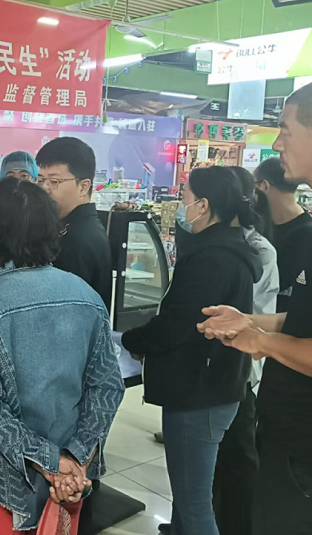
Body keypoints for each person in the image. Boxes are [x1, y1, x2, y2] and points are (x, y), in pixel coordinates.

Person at [0, 177, 124, 535]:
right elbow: (107, 386)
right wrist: (74, 457)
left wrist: (49, 460)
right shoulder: (86, 296)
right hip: (69, 473)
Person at [199, 79, 312, 535]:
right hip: (289, 442)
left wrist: (262, 342)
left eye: (286, 130)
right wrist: (250, 321)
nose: (276, 143)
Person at [122, 166, 262, 535]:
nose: (180, 206)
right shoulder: (226, 248)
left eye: (184, 198)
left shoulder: (212, 258)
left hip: (198, 391)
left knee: (195, 502)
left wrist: (131, 341)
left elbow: (179, 324)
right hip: (215, 384)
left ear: (203, 205)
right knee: (189, 498)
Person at [209, 167, 278, 535]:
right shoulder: (208, 239)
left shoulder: (258, 249)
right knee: (208, 459)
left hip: (240, 370)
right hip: (208, 367)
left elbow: (257, 313)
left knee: (237, 459)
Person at [36, 137, 112, 309]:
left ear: (83, 187)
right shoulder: (67, 226)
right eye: (41, 180)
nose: (45, 189)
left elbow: (67, 310)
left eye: (54, 182)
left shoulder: (79, 238)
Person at [254, 157, 312, 313]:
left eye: (254, 186)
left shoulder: (305, 234)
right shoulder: (263, 223)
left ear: (264, 186)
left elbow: (273, 283)